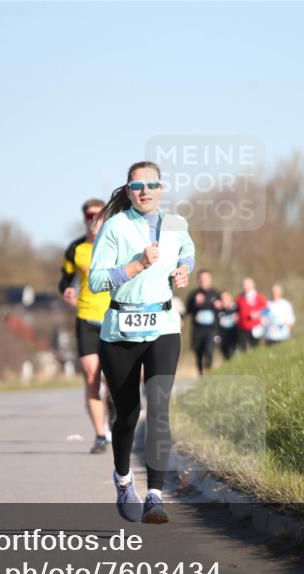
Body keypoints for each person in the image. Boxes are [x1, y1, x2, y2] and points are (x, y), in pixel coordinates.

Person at [89, 160, 195, 524]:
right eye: (136, 186)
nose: (144, 191)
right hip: (120, 330)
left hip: (163, 325)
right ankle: (123, 481)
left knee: (159, 409)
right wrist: (136, 265)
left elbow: (187, 251)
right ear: (129, 190)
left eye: (151, 184)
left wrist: (184, 269)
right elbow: (96, 281)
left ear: (161, 188)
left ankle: (155, 496)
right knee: (128, 414)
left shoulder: (176, 223)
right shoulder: (115, 227)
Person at [59, 198, 113, 454]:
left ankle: (112, 406)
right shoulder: (75, 249)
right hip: (86, 318)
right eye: (90, 216)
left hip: (114, 318)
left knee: (115, 379)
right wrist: (67, 291)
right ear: (84, 219)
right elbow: (65, 280)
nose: (94, 220)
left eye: (99, 215)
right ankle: (100, 435)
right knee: (92, 376)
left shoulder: (116, 244)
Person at [186, 269, 221, 376]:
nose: (203, 280)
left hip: (211, 329)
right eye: (201, 278)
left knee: (209, 350)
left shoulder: (216, 294)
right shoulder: (193, 294)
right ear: (198, 280)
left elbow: (224, 311)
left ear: (210, 279)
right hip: (197, 329)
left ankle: (209, 370)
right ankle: (201, 374)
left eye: (206, 278)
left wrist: (219, 306)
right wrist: (195, 303)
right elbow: (188, 311)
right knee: (198, 352)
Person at [236, 277, 267, 353]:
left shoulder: (259, 297)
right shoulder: (240, 297)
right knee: (243, 348)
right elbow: (236, 310)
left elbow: (266, 310)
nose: (246, 286)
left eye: (248, 284)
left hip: (255, 327)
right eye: (244, 284)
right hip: (242, 327)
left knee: (255, 348)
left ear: (253, 285)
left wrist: (258, 314)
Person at [216, 291, 239, 361]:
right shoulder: (218, 310)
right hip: (223, 337)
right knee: (225, 355)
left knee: (232, 353)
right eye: (222, 298)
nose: (224, 299)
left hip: (234, 335)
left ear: (230, 298)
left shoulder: (236, 308)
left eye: (226, 297)